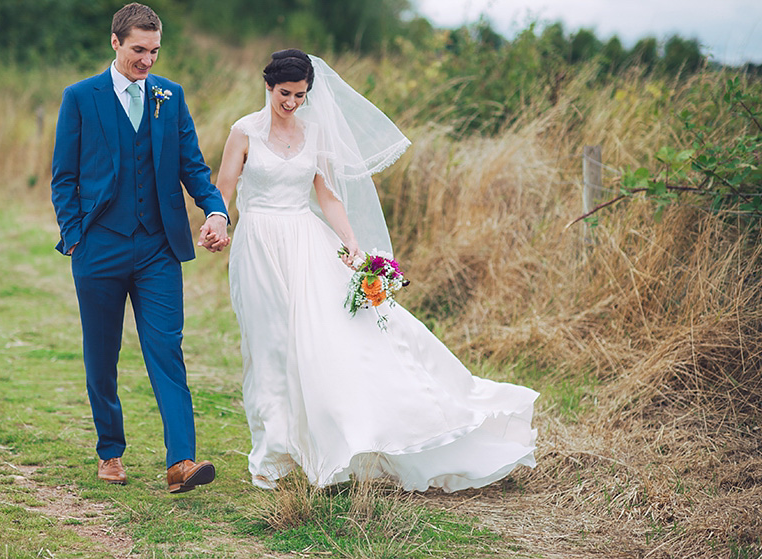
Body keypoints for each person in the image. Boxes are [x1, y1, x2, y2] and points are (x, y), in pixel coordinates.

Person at [215, 49, 538, 492]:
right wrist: (218, 221)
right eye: (285, 94)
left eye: (301, 96)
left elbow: (328, 196)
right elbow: (225, 187)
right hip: (258, 244)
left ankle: (330, 442)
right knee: (268, 344)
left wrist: (350, 242)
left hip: (307, 241)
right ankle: (272, 455)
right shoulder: (244, 131)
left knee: (324, 342)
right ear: (268, 86)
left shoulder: (314, 133)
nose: (292, 103)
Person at [51, 3, 230, 493]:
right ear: (115, 42)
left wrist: (216, 211)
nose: (147, 61)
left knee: (166, 349)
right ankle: (110, 450)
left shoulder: (170, 97)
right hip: (99, 248)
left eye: (154, 51)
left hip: (157, 249)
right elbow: (64, 177)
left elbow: (194, 168)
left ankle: (181, 463)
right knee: (101, 354)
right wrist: (76, 237)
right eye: (138, 50)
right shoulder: (80, 98)